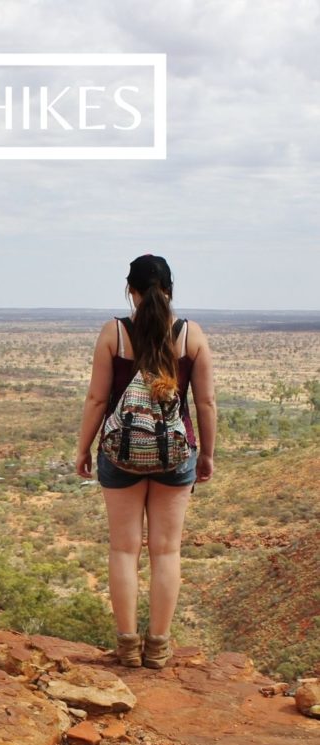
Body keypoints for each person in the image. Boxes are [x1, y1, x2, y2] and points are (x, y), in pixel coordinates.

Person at [76, 254, 216, 669]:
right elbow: (205, 402)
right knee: (166, 551)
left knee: (123, 550)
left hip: (119, 455)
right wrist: (205, 453)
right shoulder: (190, 336)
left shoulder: (114, 334)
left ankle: (126, 647)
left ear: (130, 291)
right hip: (176, 456)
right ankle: (158, 647)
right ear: (170, 291)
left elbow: (98, 399)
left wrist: (83, 448)